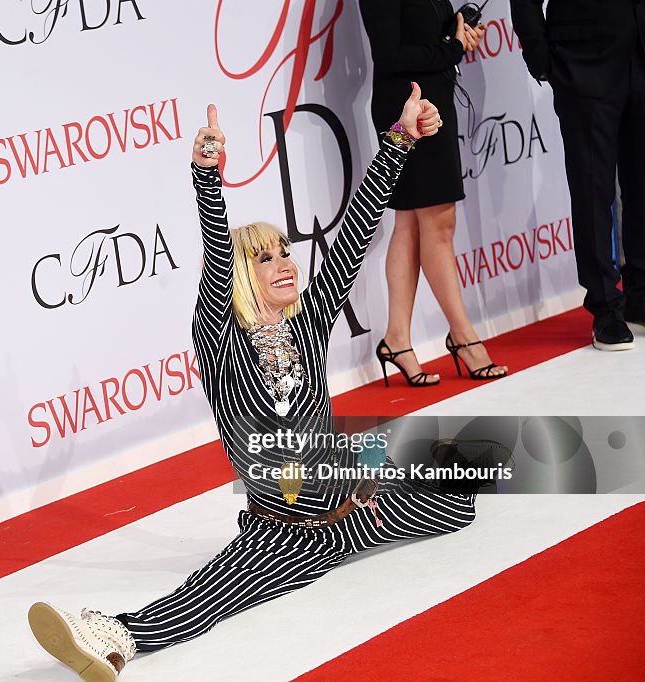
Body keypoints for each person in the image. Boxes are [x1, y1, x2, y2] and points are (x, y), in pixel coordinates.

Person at [27, 92, 478, 681]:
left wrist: (400, 138)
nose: (285, 263)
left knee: (457, 497)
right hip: (279, 533)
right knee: (210, 596)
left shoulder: (309, 319)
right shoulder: (223, 342)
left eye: (286, 251)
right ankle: (112, 637)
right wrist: (207, 182)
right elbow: (217, 265)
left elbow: (359, 228)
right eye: (264, 259)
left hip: (351, 512)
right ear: (244, 276)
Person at [359, 0, 508, 385]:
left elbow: (428, 36)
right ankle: (463, 337)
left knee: (409, 223)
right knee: (439, 223)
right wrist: (452, 49)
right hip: (410, 108)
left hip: (432, 103)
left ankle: (397, 339)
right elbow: (389, 55)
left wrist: (459, 33)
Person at [511, 0, 645, 350]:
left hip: (641, 54)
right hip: (583, 60)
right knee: (592, 189)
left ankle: (640, 294)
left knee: (643, 186)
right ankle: (604, 307)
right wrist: (541, 59)